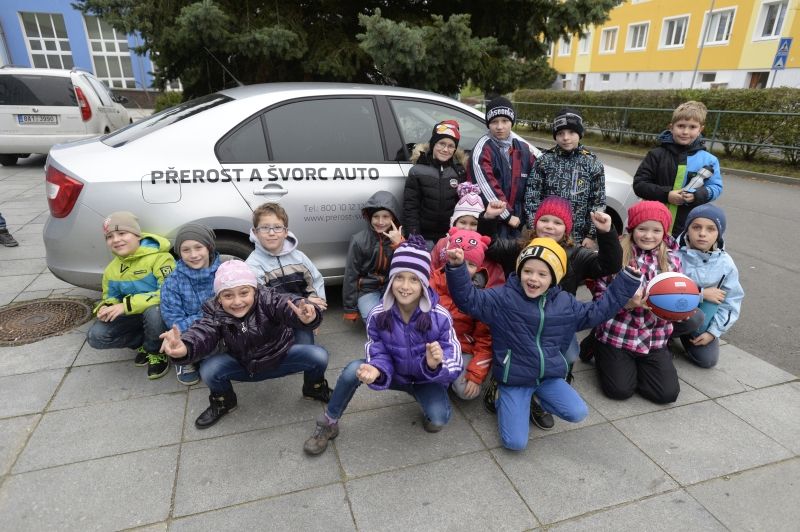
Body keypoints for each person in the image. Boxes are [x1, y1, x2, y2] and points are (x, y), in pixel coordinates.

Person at [445, 237, 640, 451]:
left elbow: (597, 312)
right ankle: (504, 398)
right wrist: (457, 269)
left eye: (542, 274)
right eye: (527, 271)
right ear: (519, 271)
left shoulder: (565, 303)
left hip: (546, 377)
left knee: (578, 412)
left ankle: (534, 399)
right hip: (515, 379)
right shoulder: (503, 298)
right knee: (515, 443)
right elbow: (468, 299)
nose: (533, 278)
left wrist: (626, 282)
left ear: (554, 277)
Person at [303, 236, 462, 455]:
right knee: (353, 370)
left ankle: (425, 398)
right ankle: (329, 422)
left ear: (424, 284)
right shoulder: (378, 314)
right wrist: (376, 369)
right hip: (393, 373)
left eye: (414, 280)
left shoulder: (439, 316)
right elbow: (377, 349)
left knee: (438, 418)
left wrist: (435, 365)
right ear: (391, 280)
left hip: (425, 377)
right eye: (399, 278)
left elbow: (455, 359)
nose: (405, 286)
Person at [486, 195, 623, 428]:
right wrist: (489, 218)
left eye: (557, 222)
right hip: (518, 324)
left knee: (569, 354)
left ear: (566, 228)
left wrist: (606, 233)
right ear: (535, 222)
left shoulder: (576, 254)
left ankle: (542, 396)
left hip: (555, 326)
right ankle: (502, 383)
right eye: (545, 220)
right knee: (511, 356)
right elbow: (491, 247)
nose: (550, 226)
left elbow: (609, 265)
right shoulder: (520, 247)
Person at [159, 260, 332, 429]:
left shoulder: (267, 298)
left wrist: (308, 315)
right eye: (228, 295)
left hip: (281, 356)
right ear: (219, 299)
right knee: (209, 369)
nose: (237, 302)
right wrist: (185, 347)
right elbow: (203, 332)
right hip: (246, 365)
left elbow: (287, 303)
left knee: (319, 355)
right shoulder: (214, 313)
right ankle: (224, 402)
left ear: (254, 291)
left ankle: (314, 388)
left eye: (244, 293)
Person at [586, 201, 685, 404]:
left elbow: (680, 294)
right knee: (619, 390)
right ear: (632, 229)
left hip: (653, 338)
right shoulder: (616, 256)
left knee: (666, 394)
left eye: (656, 230)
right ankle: (596, 344)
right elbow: (598, 298)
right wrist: (626, 304)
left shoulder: (673, 260)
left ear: (664, 232)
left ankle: (637, 366)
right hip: (618, 334)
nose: (648, 236)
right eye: (642, 229)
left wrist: (678, 310)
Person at [86, 211, 175, 379]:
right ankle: (144, 344)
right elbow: (110, 296)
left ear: (137, 236)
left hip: (159, 314)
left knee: (154, 312)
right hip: (133, 314)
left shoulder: (161, 258)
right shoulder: (111, 269)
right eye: (110, 237)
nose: (116, 240)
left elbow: (169, 293)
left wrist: (126, 305)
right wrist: (107, 307)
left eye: (122, 233)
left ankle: (156, 352)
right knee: (95, 337)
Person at [632, 100, 723, 237]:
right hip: (655, 225)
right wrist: (666, 195)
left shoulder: (709, 160)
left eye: (692, 127)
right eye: (680, 126)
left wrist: (696, 195)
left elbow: (715, 187)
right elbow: (639, 185)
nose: (685, 132)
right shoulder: (656, 155)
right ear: (671, 127)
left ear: (700, 129)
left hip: (686, 226)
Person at [430, 228, 500, 401]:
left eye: (471, 264)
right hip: (434, 343)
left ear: (479, 267)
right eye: (458, 260)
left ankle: (449, 376)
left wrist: (476, 374)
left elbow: (485, 339)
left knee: (466, 391)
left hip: (463, 347)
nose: (463, 267)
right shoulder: (434, 281)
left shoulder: (482, 294)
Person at [673, 204, 744, 368]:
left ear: (719, 233)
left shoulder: (726, 264)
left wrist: (713, 332)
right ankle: (665, 336)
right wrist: (701, 294)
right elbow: (663, 292)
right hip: (674, 313)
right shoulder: (672, 254)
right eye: (696, 227)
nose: (702, 233)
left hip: (702, 321)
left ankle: (692, 333)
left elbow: (731, 302)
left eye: (711, 229)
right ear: (687, 229)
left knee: (707, 360)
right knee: (695, 316)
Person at [245, 202, 326, 345]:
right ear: (255, 232)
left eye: (277, 227)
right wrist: (304, 303)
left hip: (300, 315)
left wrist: (315, 313)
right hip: (273, 322)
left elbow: (315, 282)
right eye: (265, 227)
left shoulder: (300, 257)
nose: (271, 233)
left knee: (308, 350)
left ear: (286, 231)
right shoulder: (252, 265)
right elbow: (263, 302)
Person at [524, 108, 606, 247]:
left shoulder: (592, 163)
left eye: (571, 132)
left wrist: (591, 235)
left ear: (580, 133)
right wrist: (534, 228)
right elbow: (532, 197)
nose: (566, 137)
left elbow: (598, 202)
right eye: (560, 133)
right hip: (546, 235)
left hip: (577, 237)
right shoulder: (544, 161)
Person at [160, 224, 221, 385]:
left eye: (198, 247)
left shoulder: (223, 272)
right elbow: (173, 319)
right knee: (176, 332)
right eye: (186, 250)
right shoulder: (172, 281)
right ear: (179, 253)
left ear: (209, 247)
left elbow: (224, 309)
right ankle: (184, 359)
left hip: (218, 326)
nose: (193, 255)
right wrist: (206, 317)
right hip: (189, 332)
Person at [468, 96, 538, 238]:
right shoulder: (483, 149)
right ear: (488, 124)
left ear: (512, 122)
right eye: (494, 122)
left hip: (518, 223)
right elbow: (485, 186)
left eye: (505, 121)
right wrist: (507, 215)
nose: (500, 127)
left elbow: (535, 183)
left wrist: (530, 218)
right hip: (492, 222)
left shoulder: (523, 149)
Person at [402, 119, 468, 248]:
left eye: (451, 146)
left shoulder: (459, 172)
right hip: (424, 238)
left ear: (455, 149)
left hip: (450, 237)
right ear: (433, 144)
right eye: (441, 144)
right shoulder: (417, 171)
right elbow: (410, 208)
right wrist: (414, 236)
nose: (445, 149)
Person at [342, 191, 404, 321]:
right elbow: (351, 275)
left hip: (392, 287)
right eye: (376, 216)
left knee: (399, 319)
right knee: (375, 320)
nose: (380, 221)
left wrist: (399, 245)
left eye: (386, 216)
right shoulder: (358, 240)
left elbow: (408, 267)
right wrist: (350, 309)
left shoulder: (401, 238)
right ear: (369, 217)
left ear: (393, 218)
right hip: (368, 289)